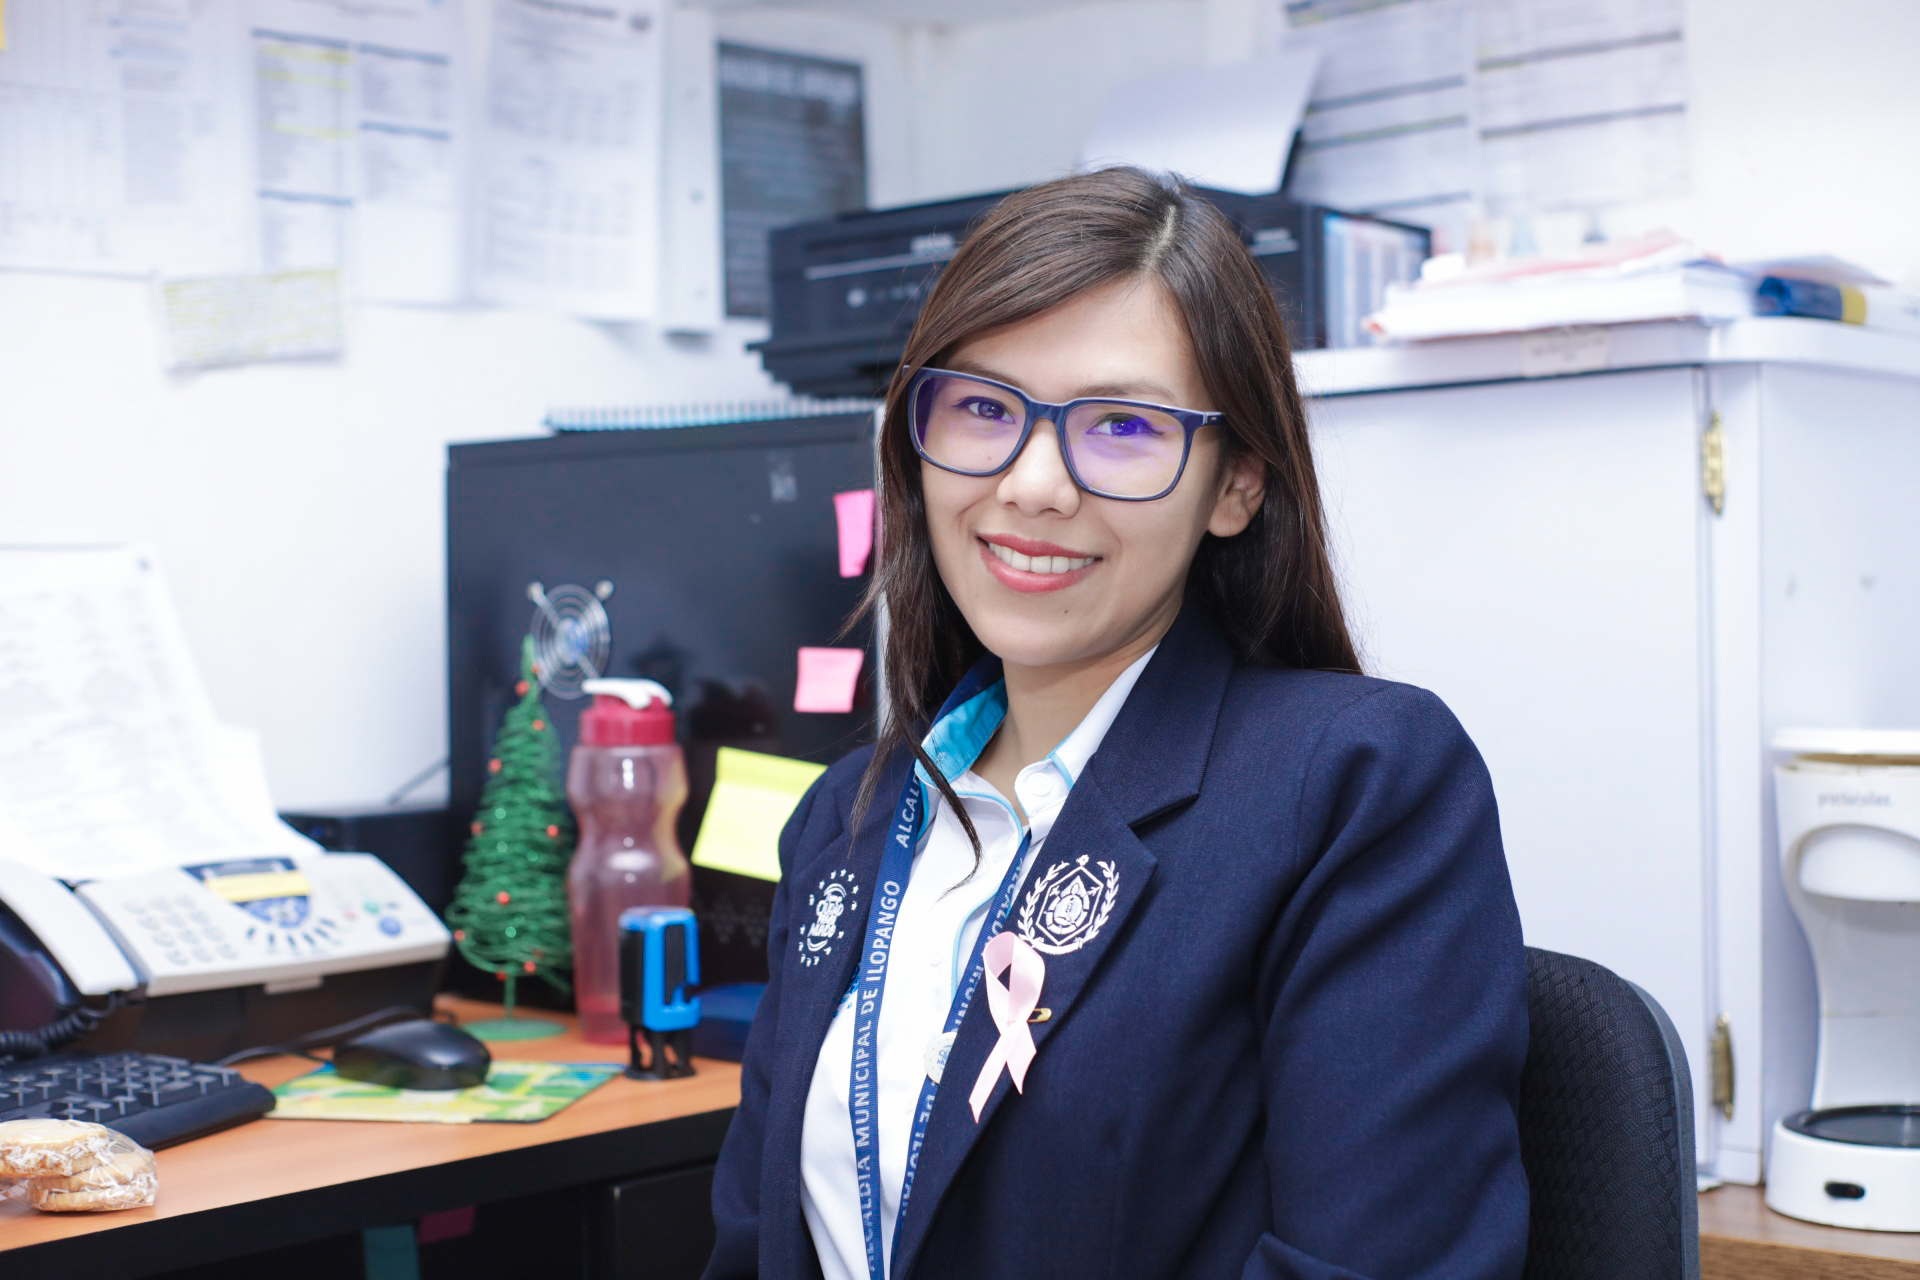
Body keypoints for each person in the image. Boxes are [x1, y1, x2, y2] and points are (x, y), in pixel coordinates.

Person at [706, 166, 1528, 1280]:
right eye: (983, 408)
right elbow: (755, 1247)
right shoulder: (843, 821)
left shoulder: (1353, 784)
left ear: (1236, 484)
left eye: (1123, 425)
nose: (1034, 484)